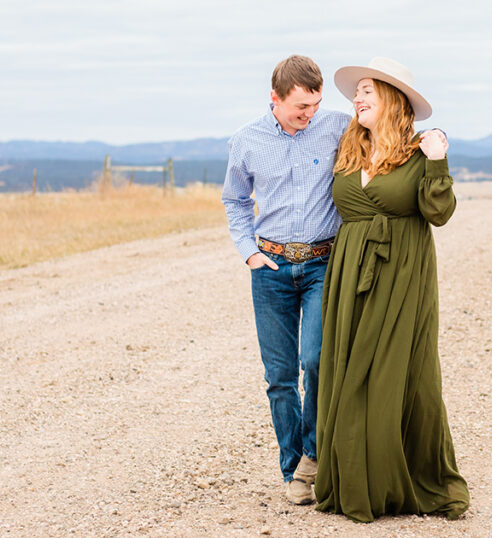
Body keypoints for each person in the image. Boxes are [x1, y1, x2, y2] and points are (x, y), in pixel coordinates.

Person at [314, 57, 470, 522]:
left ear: (392, 100)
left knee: (400, 375)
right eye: (356, 92)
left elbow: (439, 213)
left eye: (366, 91)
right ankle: (353, 482)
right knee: (348, 371)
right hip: (349, 274)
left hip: (403, 273)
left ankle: (402, 480)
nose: (357, 99)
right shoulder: (346, 147)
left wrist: (439, 162)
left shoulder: (422, 149)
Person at [221, 55, 350, 505]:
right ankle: (290, 469)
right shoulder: (246, 141)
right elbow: (235, 200)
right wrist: (249, 253)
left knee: (315, 362)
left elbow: (389, 136)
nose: (309, 114)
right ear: (274, 99)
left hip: (321, 265)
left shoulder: (338, 126)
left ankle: (313, 463)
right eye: (300, 107)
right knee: (279, 376)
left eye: (315, 105)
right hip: (271, 269)